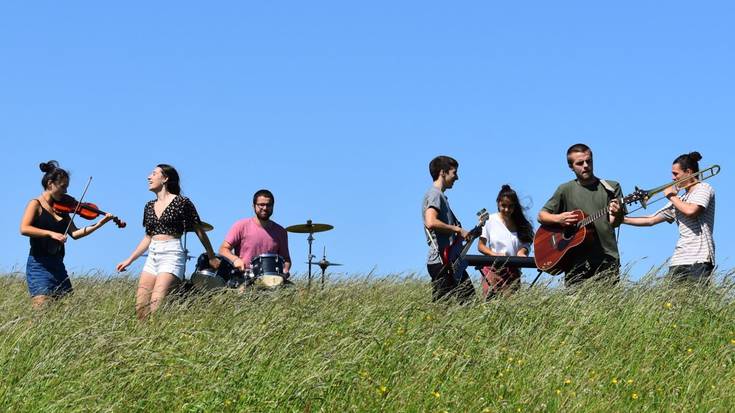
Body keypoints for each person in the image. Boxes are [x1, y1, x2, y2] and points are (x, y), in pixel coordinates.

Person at [116, 164, 219, 320]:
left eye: (154, 173)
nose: (148, 177)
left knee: (156, 306)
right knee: (140, 309)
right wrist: (129, 260)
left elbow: (199, 230)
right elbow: (148, 237)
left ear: (165, 178)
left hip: (172, 254)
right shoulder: (149, 206)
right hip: (153, 254)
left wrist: (211, 256)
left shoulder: (182, 202)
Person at [20, 161, 114, 309]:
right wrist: (50, 234)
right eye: (63, 187)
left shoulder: (63, 209)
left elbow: (75, 233)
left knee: (65, 311)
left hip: (58, 264)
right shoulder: (35, 204)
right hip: (39, 265)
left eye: (67, 187)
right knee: (40, 311)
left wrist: (100, 224)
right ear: (50, 184)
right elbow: (24, 228)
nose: (66, 191)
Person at [538, 144, 624, 287]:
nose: (586, 166)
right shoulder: (565, 189)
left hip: (607, 258)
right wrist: (559, 218)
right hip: (575, 260)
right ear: (571, 167)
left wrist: (618, 212)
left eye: (588, 161)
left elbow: (614, 223)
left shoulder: (611, 187)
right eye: (580, 163)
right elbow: (541, 215)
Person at [623, 152, 715, 284]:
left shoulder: (704, 188)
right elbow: (651, 219)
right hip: (679, 259)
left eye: (676, 174)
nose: (672, 178)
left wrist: (671, 197)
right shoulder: (680, 199)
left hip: (699, 258)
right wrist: (622, 220)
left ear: (688, 172)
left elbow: (691, 211)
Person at [422, 155, 475, 302]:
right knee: (444, 308)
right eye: (454, 173)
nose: (457, 177)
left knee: (467, 302)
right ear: (442, 172)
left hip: (449, 261)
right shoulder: (435, 195)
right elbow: (431, 222)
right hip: (441, 261)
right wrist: (457, 230)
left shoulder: (441, 196)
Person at [218, 189, 292, 278]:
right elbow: (223, 249)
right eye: (261, 205)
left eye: (268, 205)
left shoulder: (281, 231)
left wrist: (285, 269)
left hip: (271, 280)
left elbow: (286, 259)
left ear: (273, 206)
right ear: (253, 206)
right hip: (244, 278)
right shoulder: (241, 226)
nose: (265, 208)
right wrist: (235, 260)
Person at [477, 185, 534, 299]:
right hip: (492, 269)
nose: (507, 210)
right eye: (504, 206)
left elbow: (527, 243)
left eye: (510, 206)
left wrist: (522, 252)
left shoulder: (521, 223)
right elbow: (481, 246)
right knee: (489, 304)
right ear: (498, 203)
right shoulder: (490, 220)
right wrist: (495, 255)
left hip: (513, 271)